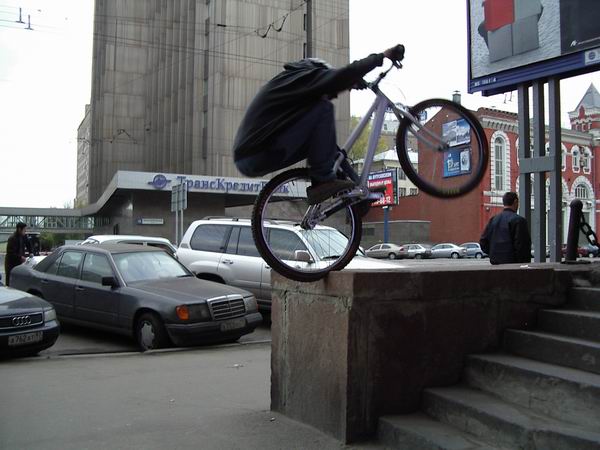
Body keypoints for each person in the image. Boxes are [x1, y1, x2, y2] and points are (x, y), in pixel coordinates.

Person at [233, 44, 405, 205]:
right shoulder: (305, 76)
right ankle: (323, 181)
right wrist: (382, 56)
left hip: (253, 153)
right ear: (319, 71)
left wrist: (352, 82)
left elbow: (339, 80)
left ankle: (356, 189)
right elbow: (341, 75)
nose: (330, 96)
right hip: (256, 152)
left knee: (328, 148)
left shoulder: (291, 84)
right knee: (323, 108)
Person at [480, 192, 531, 265]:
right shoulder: (519, 221)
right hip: (514, 265)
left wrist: (493, 254)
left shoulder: (493, 220)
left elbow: (483, 242)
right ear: (515, 202)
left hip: (495, 265)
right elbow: (522, 246)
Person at [4, 222, 28, 286]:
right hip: (11, 265)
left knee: (18, 283)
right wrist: (20, 257)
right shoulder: (12, 238)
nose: (25, 231)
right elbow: (10, 253)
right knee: (10, 283)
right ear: (19, 229)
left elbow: (25, 247)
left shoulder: (22, 237)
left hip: (18, 264)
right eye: (24, 230)